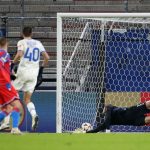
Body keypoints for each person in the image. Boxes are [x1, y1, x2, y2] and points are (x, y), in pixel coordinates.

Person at [1, 27, 49, 131]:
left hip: (23, 72)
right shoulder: (38, 43)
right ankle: (34, 115)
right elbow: (47, 57)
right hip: (34, 74)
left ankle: (5, 123)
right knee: (27, 99)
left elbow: (19, 54)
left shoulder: (21, 42)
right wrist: (41, 70)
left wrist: (12, 64)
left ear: (22, 34)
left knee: (10, 98)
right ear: (32, 33)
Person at [0, 37, 22, 134]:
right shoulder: (4, 53)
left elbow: (6, 69)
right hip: (4, 84)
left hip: (3, 82)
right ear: (6, 44)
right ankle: (15, 129)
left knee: (8, 108)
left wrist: (12, 75)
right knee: (17, 105)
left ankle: (15, 128)